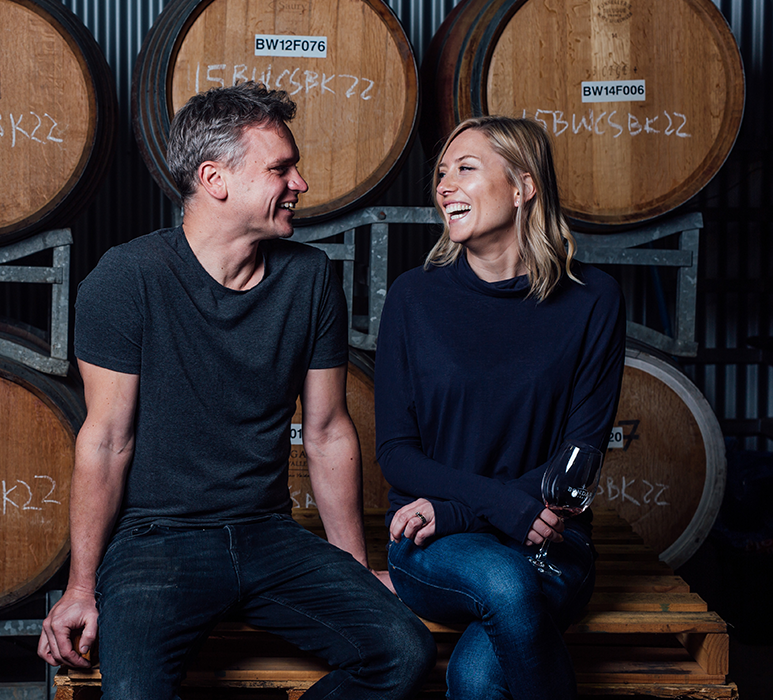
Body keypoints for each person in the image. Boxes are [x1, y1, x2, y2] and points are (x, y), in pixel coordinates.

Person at [37, 81, 434, 699]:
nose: (299, 184)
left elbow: (328, 431)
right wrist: (82, 585)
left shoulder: (310, 278)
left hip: (268, 533)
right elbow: (107, 440)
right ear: (215, 179)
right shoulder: (127, 277)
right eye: (281, 169)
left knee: (404, 652)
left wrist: (351, 567)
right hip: (156, 541)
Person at [374, 115, 626, 700]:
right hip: (434, 547)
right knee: (505, 580)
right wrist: (493, 507)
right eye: (440, 173)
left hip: (552, 541)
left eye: (465, 169)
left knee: (475, 678)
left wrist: (463, 511)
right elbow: (396, 454)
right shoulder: (415, 297)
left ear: (523, 187)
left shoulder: (593, 300)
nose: (444, 185)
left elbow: (579, 457)